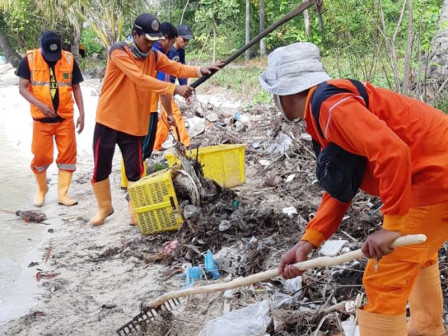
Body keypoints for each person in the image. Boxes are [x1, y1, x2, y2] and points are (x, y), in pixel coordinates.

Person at [259, 42, 448, 335]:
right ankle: (428, 330)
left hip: (433, 178)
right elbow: (342, 183)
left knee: (383, 282)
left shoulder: (332, 108)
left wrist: (393, 226)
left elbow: (394, 153)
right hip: (433, 176)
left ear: (283, 92)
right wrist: (309, 241)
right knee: (418, 255)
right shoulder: (323, 110)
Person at [91, 13, 222, 226]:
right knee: (101, 167)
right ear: (135, 34)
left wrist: (200, 69)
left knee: (135, 170)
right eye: (147, 40)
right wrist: (174, 88)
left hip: (134, 123)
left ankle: (135, 212)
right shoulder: (119, 51)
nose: (151, 45)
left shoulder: (152, 56)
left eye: (155, 40)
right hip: (109, 120)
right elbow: (140, 79)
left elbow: (176, 68)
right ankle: (104, 207)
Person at [17, 30, 85, 207]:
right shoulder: (30, 60)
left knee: (67, 158)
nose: (53, 58)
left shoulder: (68, 59)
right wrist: (40, 105)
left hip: (65, 119)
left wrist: (82, 113)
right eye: (49, 55)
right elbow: (22, 88)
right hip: (41, 121)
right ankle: (42, 189)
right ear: (42, 48)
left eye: (56, 54)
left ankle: (63, 194)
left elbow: (76, 87)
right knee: (40, 158)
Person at [119, 21, 179, 189]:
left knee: (131, 147)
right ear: (166, 39)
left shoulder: (141, 53)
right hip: (148, 110)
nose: (172, 46)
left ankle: (127, 181)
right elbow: (164, 90)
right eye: (172, 42)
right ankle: (138, 183)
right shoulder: (157, 57)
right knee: (142, 151)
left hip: (132, 107)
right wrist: (169, 113)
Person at [153, 24, 194, 151]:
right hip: (161, 87)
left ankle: (156, 145)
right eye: (184, 39)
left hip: (170, 88)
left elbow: (181, 71)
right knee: (174, 114)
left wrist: (184, 89)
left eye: (187, 40)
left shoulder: (180, 51)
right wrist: (172, 88)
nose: (185, 43)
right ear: (176, 37)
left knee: (167, 116)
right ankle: (185, 144)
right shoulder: (165, 49)